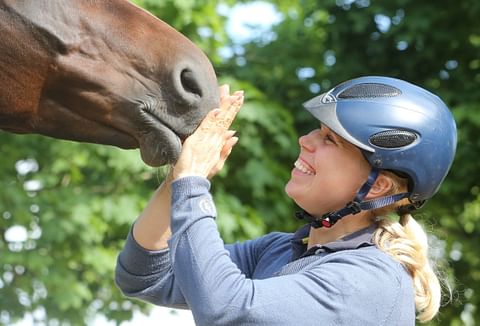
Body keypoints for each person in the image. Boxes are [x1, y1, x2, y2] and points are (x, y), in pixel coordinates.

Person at [115, 77, 457, 325]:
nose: (305, 140)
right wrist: (178, 178)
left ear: (378, 185)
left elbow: (229, 312)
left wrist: (193, 184)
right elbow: (145, 276)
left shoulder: (370, 280)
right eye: (315, 130)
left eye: (329, 140)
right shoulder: (278, 251)